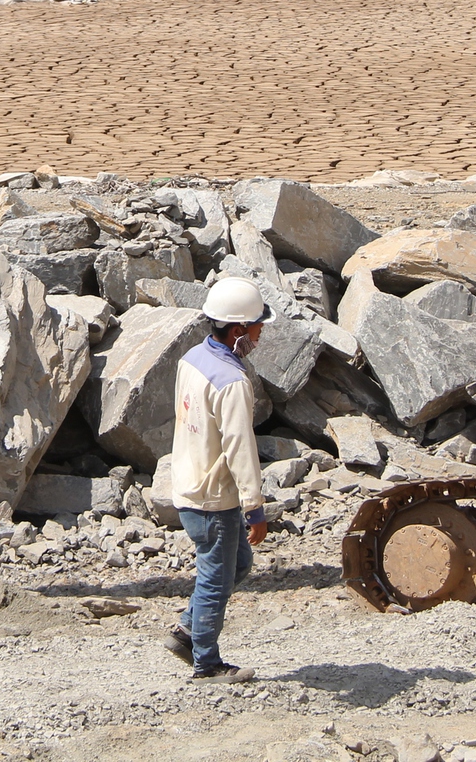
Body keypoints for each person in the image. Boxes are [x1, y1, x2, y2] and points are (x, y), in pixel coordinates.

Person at [160, 276, 271, 682]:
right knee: (214, 579)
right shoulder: (233, 382)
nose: (261, 333)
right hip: (214, 498)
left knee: (236, 565)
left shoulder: (192, 358)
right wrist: (255, 507)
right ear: (239, 329)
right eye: (258, 326)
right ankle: (206, 662)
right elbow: (241, 448)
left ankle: (188, 631)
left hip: (190, 484)